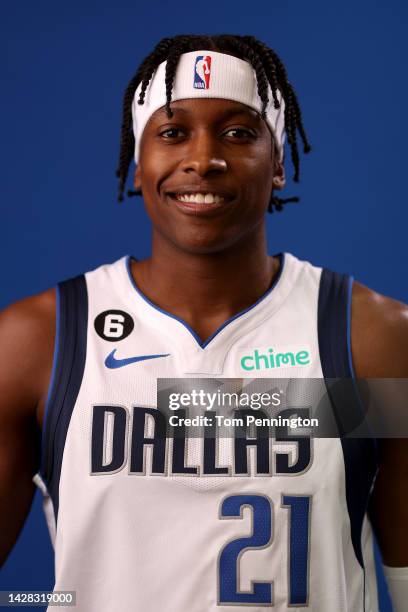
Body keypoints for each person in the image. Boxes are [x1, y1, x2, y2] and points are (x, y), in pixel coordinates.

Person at [1, 33, 407, 612]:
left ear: (279, 164)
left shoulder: (373, 339)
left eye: (240, 133)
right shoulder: (38, 341)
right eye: (172, 133)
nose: (204, 159)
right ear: (139, 164)